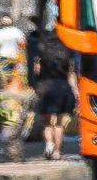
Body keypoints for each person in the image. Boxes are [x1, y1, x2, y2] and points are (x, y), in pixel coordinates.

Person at [33, 29, 77, 161]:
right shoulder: (67, 51)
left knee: (46, 122)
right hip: (63, 87)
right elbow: (71, 73)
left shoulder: (42, 51)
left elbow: (36, 71)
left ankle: (49, 143)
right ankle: (57, 152)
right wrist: (75, 89)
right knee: (59, 123)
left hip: (46, 86)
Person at [0, 14, 27, 87]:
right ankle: (12, 89)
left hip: (3, 56)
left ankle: (6, 88)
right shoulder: (17, 31)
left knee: (4, 75)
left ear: (2, 23)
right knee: (15, 75)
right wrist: (19, 50)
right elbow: (23, 44)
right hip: (14, 55)